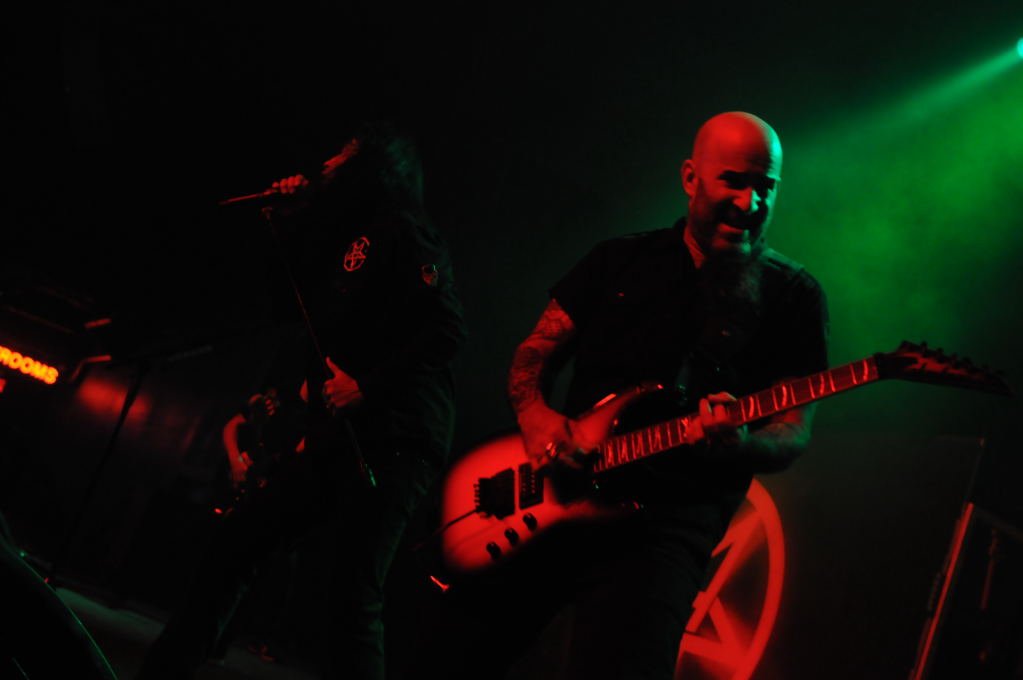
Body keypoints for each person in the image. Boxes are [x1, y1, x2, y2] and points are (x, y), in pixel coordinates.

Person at [457, 111, 828, 680]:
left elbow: (793, 431)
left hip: (666, 533)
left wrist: (740, 443)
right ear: (690, 178)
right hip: (555, 496)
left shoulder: (794, 295)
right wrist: (536, 418)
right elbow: (533, 355)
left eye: (766, 186)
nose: (750, 203)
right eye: (734, 181)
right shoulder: (619, 260)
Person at [136, 122, 467, 680]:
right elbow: (288, 308)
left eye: (344, 153)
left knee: (351, 595)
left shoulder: (406, 228)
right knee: (238, 544)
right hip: (339, 431)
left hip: (397, 436)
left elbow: (447, 330)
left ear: (373, 167)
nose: (329, 161)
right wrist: (285, 220)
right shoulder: (346, 237)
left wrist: (367, 385)